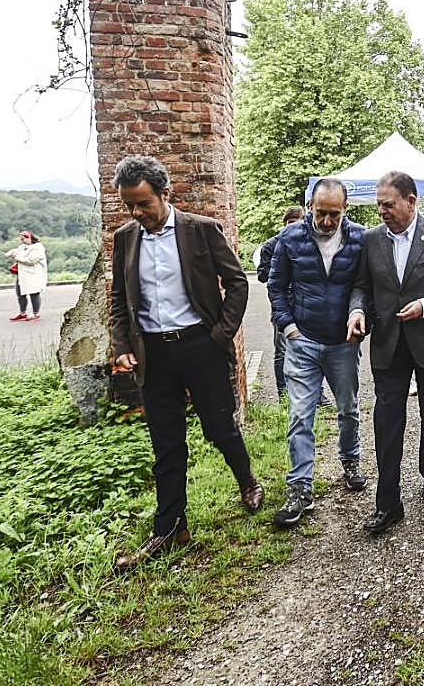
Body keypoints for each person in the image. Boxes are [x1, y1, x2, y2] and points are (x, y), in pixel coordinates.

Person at [109, 155, 264, 571]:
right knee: (166, 443)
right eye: (129, 205)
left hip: (200, 346)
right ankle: (171, 527)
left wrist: (220, 336)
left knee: (219, 427)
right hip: (153, 355)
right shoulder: (125, 238)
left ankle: (247, 480)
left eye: (143, 204)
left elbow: (237, 282)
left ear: (165, 193)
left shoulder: (201, 230)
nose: (136, 213)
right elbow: (119, 299)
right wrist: (121, 343)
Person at [347, 171, 424, 535]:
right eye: (379, 205)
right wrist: (357, 311)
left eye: (388, 204)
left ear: (411, 201)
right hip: (388, 343)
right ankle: (388, 503)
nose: (382, 211)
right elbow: (361, 287)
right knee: (386, 420)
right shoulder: (371, 239)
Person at [267, 180, 367, 527]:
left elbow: (364, 286)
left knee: (348, 408)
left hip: (343, 342)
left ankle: (350, 459)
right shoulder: (290, 238)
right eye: (320, 212)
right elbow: (276, 286)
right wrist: (288, 327)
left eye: (334, 214)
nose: (326, 221)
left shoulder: (360, 239)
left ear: (345, 209)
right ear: (310, 206)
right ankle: (299, 488)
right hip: (303, 341)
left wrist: (359, 315)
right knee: (300, 415)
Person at [256, 206, 306, 398]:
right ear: (284, 224)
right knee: (282, 351)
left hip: (304, 303)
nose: (293, 228)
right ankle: (284, 395)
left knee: (309, 349)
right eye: (290, 224)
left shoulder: (307, 243)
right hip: (282, 304)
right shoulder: (271, 245)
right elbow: (262, 275)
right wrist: (281, 270)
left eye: (297, 224)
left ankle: (315, 394)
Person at [6, 230, 48, 322]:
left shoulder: (38, 248)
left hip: (34, 274)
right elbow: (16, 251)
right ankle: (22, 313)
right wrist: (10, 253)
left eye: (24, 238)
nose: (23, 240)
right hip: (22, 275)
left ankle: (36, 313)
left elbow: (31, 261)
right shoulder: (23, 247)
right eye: (21, 239)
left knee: (34, 293)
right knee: (20, 293)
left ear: (31, 238)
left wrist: (16, 257)